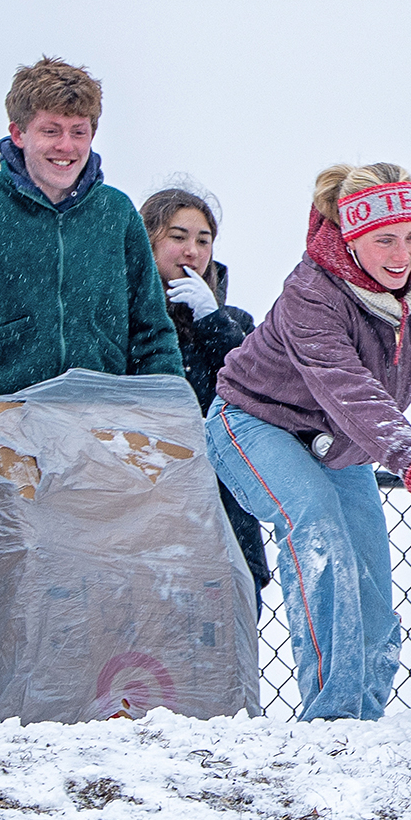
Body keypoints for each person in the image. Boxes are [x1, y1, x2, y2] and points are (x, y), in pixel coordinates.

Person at [207, 163, 411, 721]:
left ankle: (365, 717)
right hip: (256, 423)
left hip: (347, 444)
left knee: (374, 586)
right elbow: (348, 390)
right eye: (384, 240)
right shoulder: (312, 289)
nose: (402, 254)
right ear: (352, 238)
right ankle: (332, 720)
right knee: (316, 526)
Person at [0, 57, 182, 441]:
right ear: (19, 133)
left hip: (96, 433)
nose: (66, 146)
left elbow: (151, 330)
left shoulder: (115, 213)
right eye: (51, 130)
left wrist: (166, 407)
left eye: (79, 131)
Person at [140, 185, 271, 617]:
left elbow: (257, 385)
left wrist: (211, 318)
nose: (191, 251)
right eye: (178, 237)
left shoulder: (235, 323)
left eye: (203, 240)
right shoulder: (122, 319)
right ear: (148, 239)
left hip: (226, 516)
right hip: (148, 514)